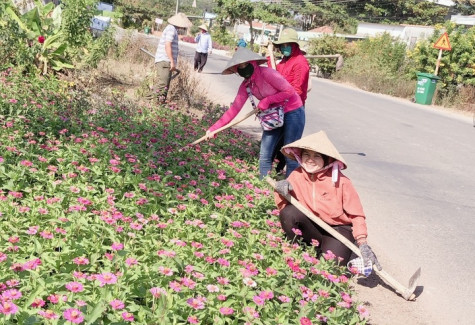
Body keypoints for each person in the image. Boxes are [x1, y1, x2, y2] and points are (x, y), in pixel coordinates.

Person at [273, 131, 381, 269]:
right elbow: (284, 206)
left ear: (327, 160)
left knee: (332, 266)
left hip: (338, 230)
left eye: (316, 156)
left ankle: (324, 249)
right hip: (312, 226)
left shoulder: (342, 182)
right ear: (300, 156)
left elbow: (357, 215)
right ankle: (301, 247)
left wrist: (363, 243)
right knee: (289, 213)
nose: (310, 159)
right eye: (306, 154)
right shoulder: (296, 175)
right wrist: (281, 190)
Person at [206, 48, 305, 179]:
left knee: (290, 154)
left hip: (292, 111)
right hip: (273, 116)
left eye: (245, 65)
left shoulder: (268, 74)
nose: (243, 68)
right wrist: (214, 129)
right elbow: (234, 109)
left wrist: (268, 100)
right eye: (239, 67)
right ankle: (264, 186)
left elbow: (289, 91)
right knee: (264, 155)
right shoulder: (246, 85)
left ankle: (293, 190)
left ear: (253, 63)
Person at [268, 28, 310, 175]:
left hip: (294, 111)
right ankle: (274, 176)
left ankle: (291, 184)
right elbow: (273, 74)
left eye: (287, 45)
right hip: (280, 109)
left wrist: (278, 95)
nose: (284, 47)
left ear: (294, 45)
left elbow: (296, 91)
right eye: (282, 45)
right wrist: (270, 56)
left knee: (291, 150)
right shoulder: (284, 61)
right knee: (273, 147)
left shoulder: (300, 63)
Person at [154, 12, 192, 102]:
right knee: (162, 84)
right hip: (165, 60)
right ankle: (146, 100)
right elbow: (168, 45)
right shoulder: (171, 29)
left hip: (166, 61)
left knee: (165, 86)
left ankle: (160, 104)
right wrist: (172, 61)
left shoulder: (172, 29)